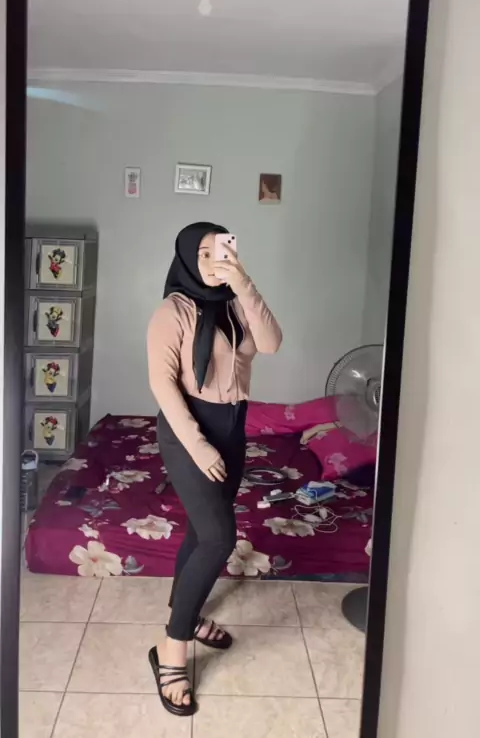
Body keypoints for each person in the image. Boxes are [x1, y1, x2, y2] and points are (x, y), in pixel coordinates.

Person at [146, 221, 282, 717]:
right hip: (189, 432)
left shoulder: (236, 305)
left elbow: (271, 343)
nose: (211, 261)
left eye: (220, 250)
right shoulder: (172, 312)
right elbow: (163, 385)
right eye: (202, 252)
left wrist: (243, 283)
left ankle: (185, 610)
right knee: (219, 539)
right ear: (186, 257)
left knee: (201, 532)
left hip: (233, 428)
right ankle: (171, 648)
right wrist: (200, 447)